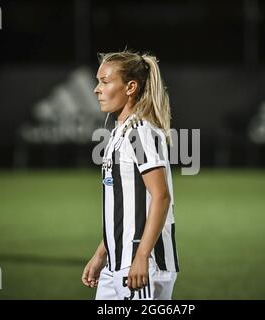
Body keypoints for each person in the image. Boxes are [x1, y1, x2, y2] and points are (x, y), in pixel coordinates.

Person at [82, 51, 179, 300]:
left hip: (140, 265)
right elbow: (122, 210)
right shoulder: (118, 133)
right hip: (116, 263)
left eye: (105, 81)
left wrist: (142, 257)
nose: (96, 89)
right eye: (98, 81)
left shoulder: (140, 133)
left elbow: (161, 197)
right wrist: (101, 254)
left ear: (130, 87)